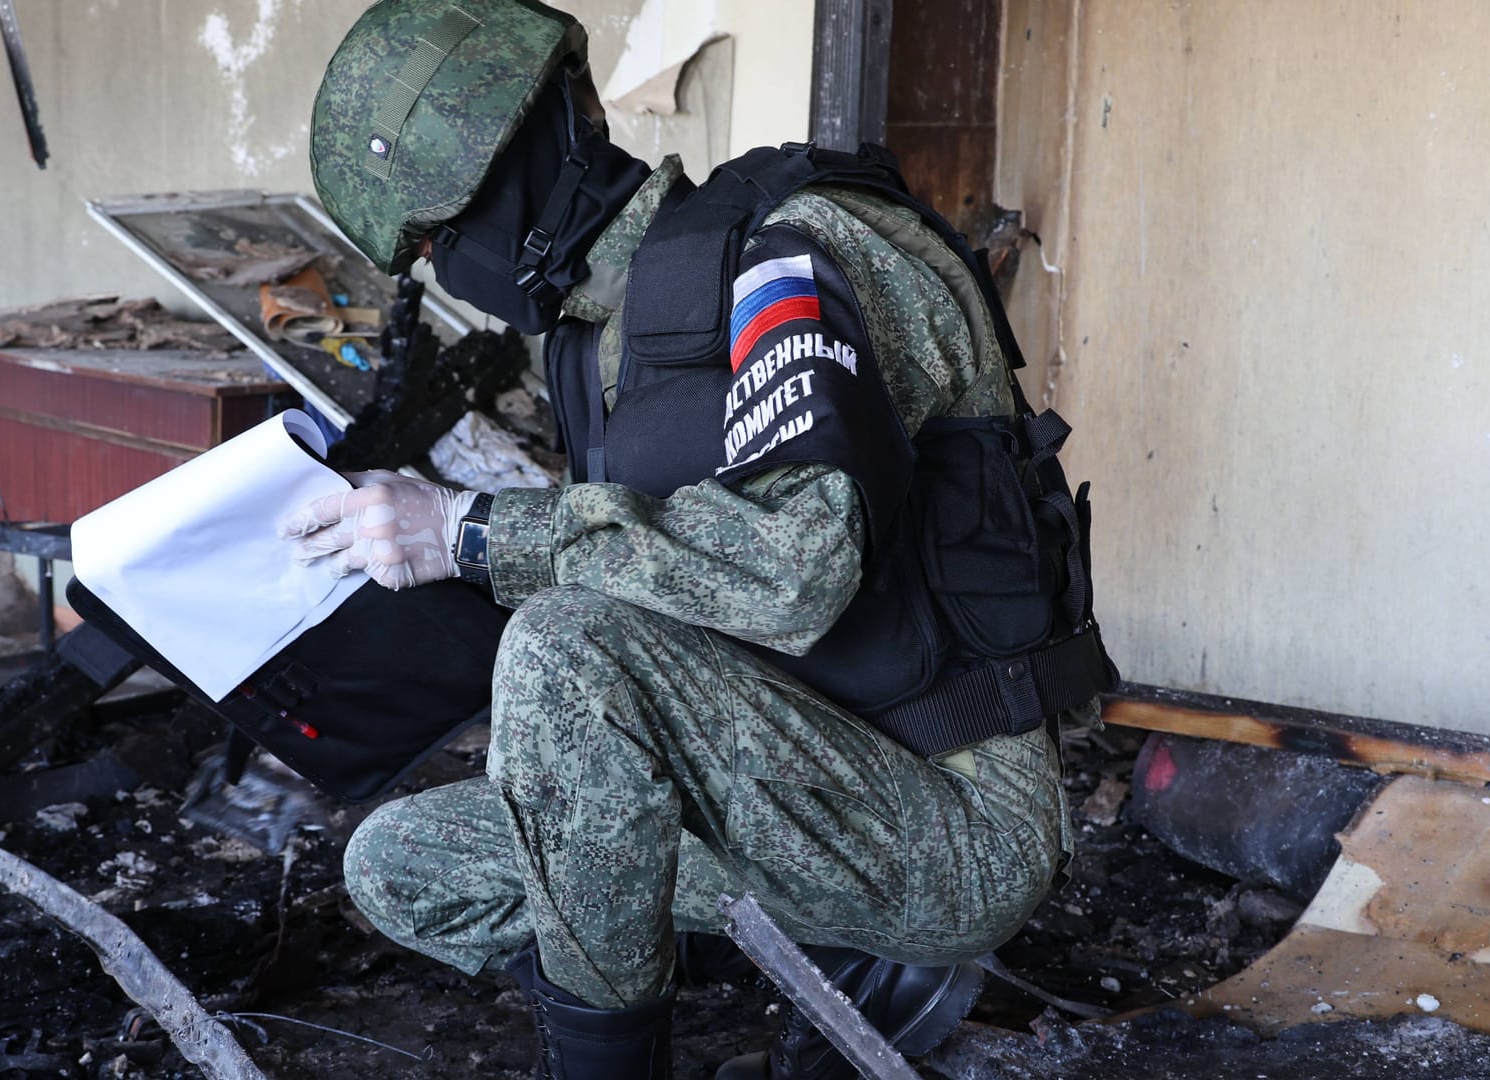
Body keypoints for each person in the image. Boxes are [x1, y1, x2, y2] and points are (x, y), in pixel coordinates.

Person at [281, 2, 1116, 1077]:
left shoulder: (790, 251)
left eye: (440, 241)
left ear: (507, 179)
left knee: (563, 648)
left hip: (944, 810)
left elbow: (795, 570)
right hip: (787, 784)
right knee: (400, 865)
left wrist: (474, 532)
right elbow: (653, 584)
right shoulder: (595, 344)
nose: (446, 270)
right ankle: (814, 966)